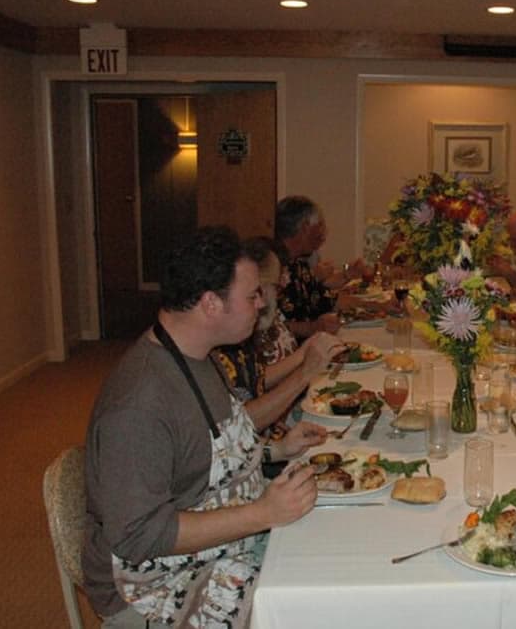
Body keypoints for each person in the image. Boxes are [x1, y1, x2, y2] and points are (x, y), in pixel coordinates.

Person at [84, 226, 338, 628]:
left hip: (221, 538)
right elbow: (139, 536)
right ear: (210, 304)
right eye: (252, 295)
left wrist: (276, 451)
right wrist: (263, 513)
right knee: (311, 606)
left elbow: (209, 441)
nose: (261, 304)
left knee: (330, 555)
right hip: (152, 584)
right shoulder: (137, 405)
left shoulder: (197, 355)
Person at [213, 237, 341, 438]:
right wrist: (305, 368)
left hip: (278, 431)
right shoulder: (230, 337)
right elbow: (242, 423)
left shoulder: (249, 327)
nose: (261, 303)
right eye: (278, 280)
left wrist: (304, 354)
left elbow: (256, 378)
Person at [275, 196, 362, 339]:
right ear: (305, 227)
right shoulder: (274, 266)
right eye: (320, 225)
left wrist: (379, 306)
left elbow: (328, 299)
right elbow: (268, 327)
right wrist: (311, 328)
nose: (323, 232)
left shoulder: (298, 263)